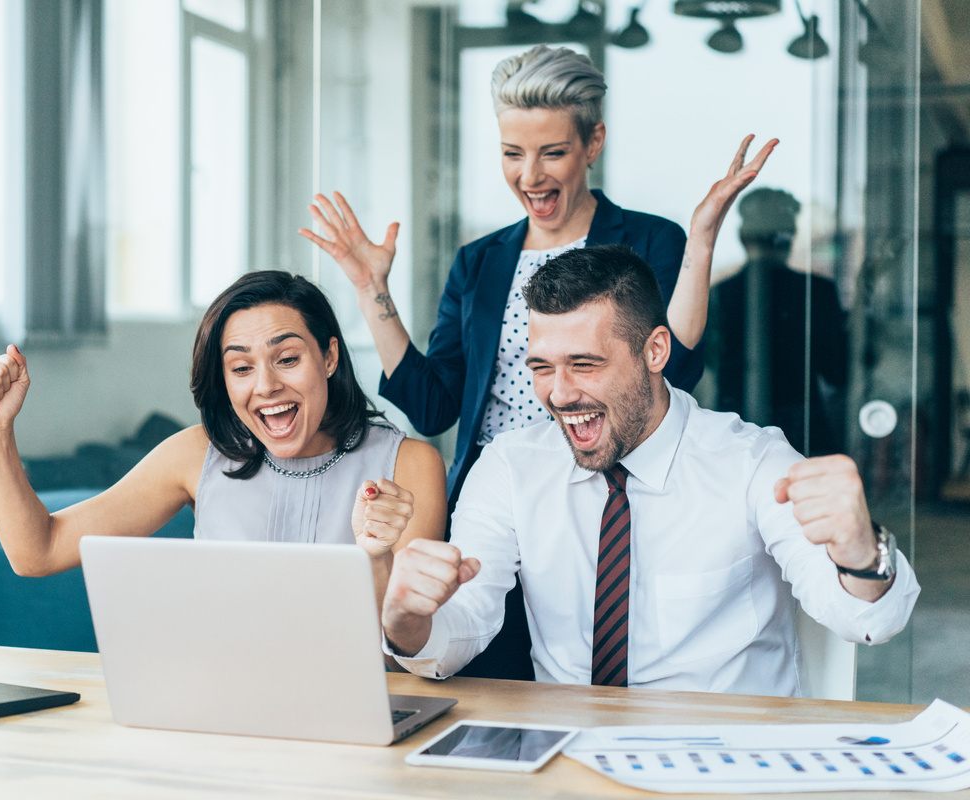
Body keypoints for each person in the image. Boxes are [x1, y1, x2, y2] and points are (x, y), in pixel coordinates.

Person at [302, 43, 776, 679]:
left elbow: (674, 367)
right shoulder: (479, 262)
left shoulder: (648, 241)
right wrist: (370, 290)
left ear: (592, 143)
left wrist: (702, 242)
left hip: (598, 501)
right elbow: (431, 403)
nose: (530, 175)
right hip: (502, 503)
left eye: (552, 152)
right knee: (480, 674)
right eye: (511, 153)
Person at [379, 245, 920, 697]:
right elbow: (462, 630)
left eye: (585, 364)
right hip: (571, 759)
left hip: (727, 762)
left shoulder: (753, 463)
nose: (560, 394)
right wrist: (408, 623)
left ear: (655, 350)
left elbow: (868, 621)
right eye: (542, 367)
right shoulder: (509, 466)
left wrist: (858, 552)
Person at [0, 270, 447, 605]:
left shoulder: (409, 465)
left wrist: (377, 561)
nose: (265, 386)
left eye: (288, 358)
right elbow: (37, 551)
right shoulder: (197, 454)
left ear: (330, 358)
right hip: (221, 705)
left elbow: (404, 650)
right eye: (240, 367)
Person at [712, 187, 848, 456]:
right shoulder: (817, 292)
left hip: (734, 434)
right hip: (801, 435)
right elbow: (837, 372)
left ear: (743, 236)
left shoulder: (719, 295)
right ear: (788, 238)